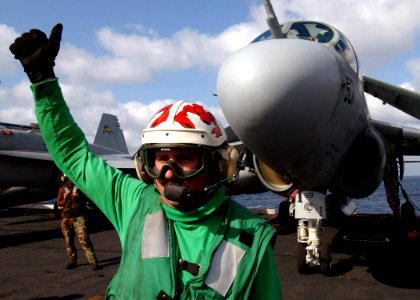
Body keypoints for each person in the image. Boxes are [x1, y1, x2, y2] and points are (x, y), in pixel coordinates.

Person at [10, 23, 282, 299]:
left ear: (218, 165)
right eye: (160, 159)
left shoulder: (252, 237)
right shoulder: (133, 202)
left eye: (184, 159)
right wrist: (42, 82)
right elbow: (73, 155)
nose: (167, 173)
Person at [56, 174, 101, 270]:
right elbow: (58, 203)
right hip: (66, 218)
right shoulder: (63, 189)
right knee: (68, 241)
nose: (71, 181)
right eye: (69, 179)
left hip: (79, 217)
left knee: (84, 240)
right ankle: (72, 261)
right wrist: (64, 199)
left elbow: (88, 199)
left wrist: (78, 197)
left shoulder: (80, 188)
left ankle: (93, 261)